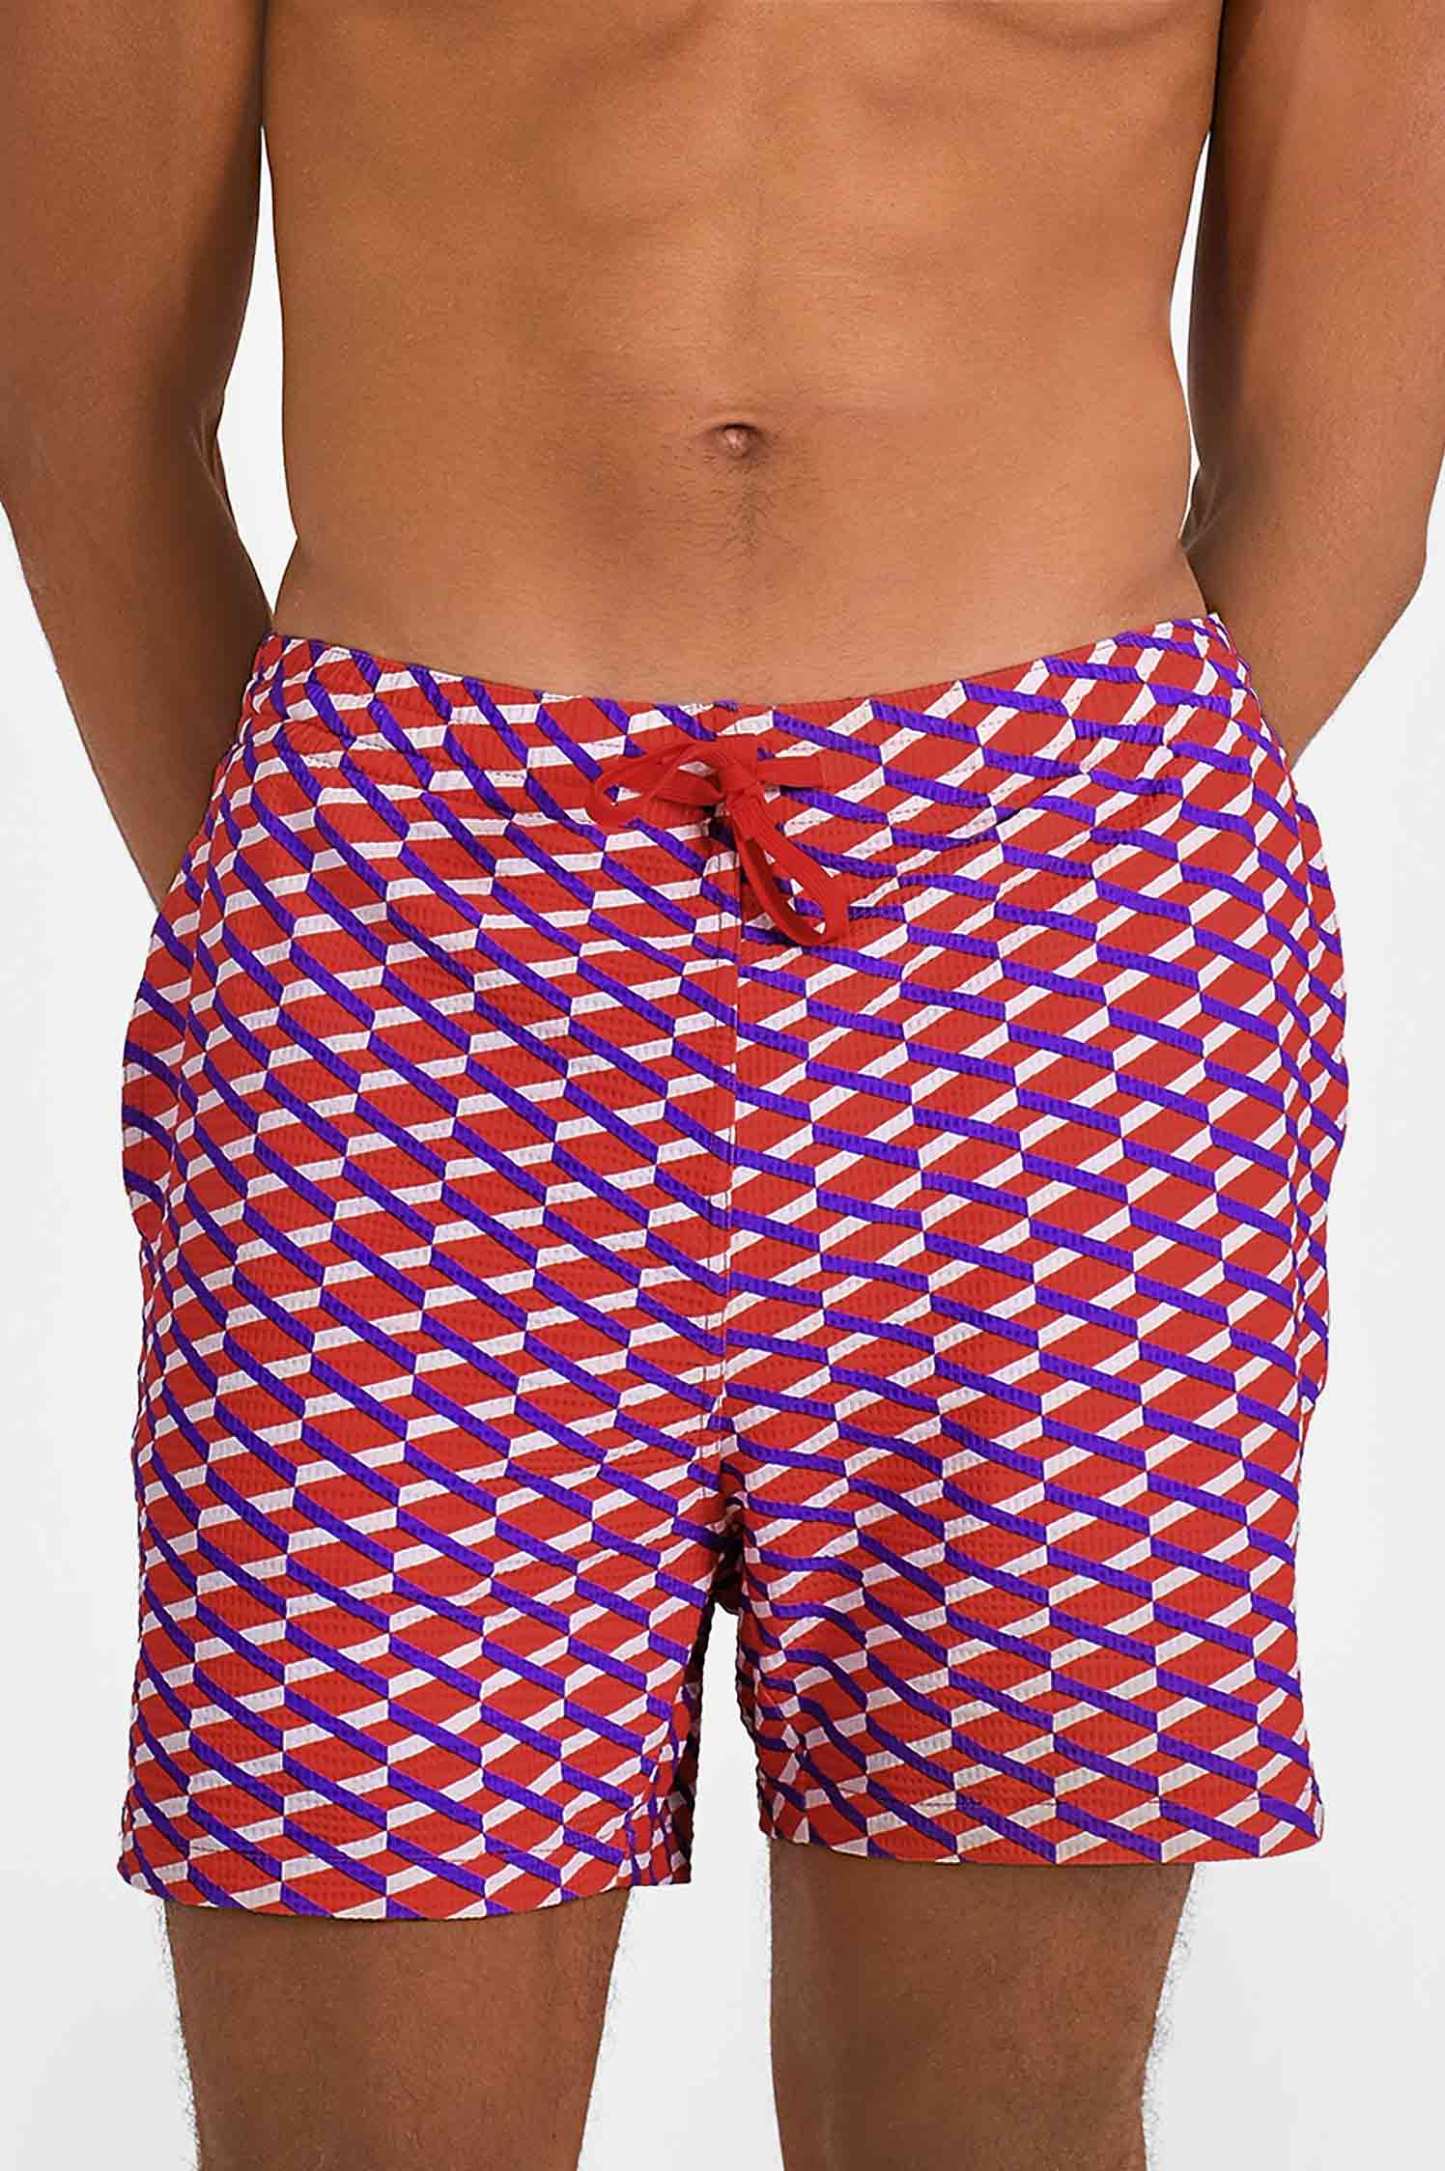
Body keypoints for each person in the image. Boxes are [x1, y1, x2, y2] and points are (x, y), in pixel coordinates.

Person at [2, 3, 1441, 2167]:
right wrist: (331, 886)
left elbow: (1349, 449)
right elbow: (82, 400)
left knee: (998, 2134)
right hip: (415, 951)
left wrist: (1077, 850)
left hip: (1060, 972)